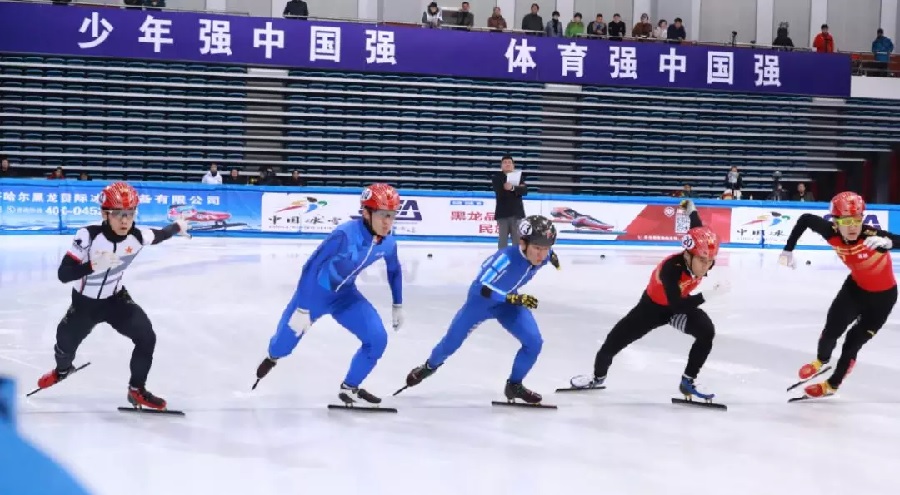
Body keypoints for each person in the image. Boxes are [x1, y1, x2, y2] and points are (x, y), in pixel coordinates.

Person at [35, 182, 190, 410]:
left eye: (130, 213)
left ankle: (136, 390)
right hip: (84, 305)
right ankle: (62, 370)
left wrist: (178, 226)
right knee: (64, 346)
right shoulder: (88, 236)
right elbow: (63, 274)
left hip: (116, 300)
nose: (125, 220)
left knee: (147, 337)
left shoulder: (138, 236)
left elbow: (161, 234)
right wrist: (92, 265)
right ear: (104, 214)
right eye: (118, 214)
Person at [253, 184, 404, 406]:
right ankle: (271, 356)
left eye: (392, 215)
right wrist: (303, 307)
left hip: (345, 297)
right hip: (314, 295)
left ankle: (349, 388)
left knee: (377, 339)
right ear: (366, 212)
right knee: (283, 347)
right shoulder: (344, 235)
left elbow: (394, 269)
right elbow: (310, 267)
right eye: (383, 215)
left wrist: (398, 304)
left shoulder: (389, 242)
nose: (387, 222)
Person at [569, 200, 729, 399]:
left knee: (707, 332)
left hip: (675, 308)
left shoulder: (697, 246)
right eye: (702, 260)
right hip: (651, 309)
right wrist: (708, 295)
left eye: (710, 261)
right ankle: (597, 378)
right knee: (611, 345)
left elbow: (696, 224)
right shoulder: (671, 269)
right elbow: (677, 304)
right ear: (688, 255)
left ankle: (688, 381)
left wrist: (690, 208)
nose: (706, 266)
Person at [401, 215, 560, 404]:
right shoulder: (504, 259)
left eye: (546, 249)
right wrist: (512, 298)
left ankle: (514, 385)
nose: (541, 255)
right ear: (523, 243)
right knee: (450, 344)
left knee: (534, 342)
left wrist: (554, 259)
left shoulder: (544, 255)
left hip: (507, 303)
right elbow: (481, 288)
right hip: (480, 304)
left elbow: (550, 254)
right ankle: (428, 367)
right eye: (537, 248)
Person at [778, 191, 900, 398]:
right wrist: (788, 249)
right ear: (835, 221)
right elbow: (805, 219)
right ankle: (821, 360)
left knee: (852, 343)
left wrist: (890, 243)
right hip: (855, 290)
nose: (852, 227)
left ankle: (832, 385)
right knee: (830, 331)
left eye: (857, 220)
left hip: (882, 299)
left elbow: (894, 240)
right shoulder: (830, 232)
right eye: (846, 221)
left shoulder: (873, 238)